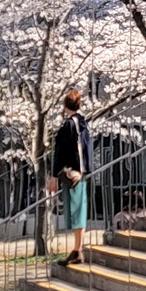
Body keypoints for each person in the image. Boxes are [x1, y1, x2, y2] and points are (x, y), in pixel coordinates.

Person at [48, 90, 92, 266]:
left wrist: (54, 175)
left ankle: (77, 250)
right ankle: (77, 249)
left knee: (75, 211)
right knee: (79, 210)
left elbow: (61, 151)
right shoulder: (83, 123)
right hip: (80, 173)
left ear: (66, 106)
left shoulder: (68, 125)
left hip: (72, 173)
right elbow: (85, 149)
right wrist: (84, 170)